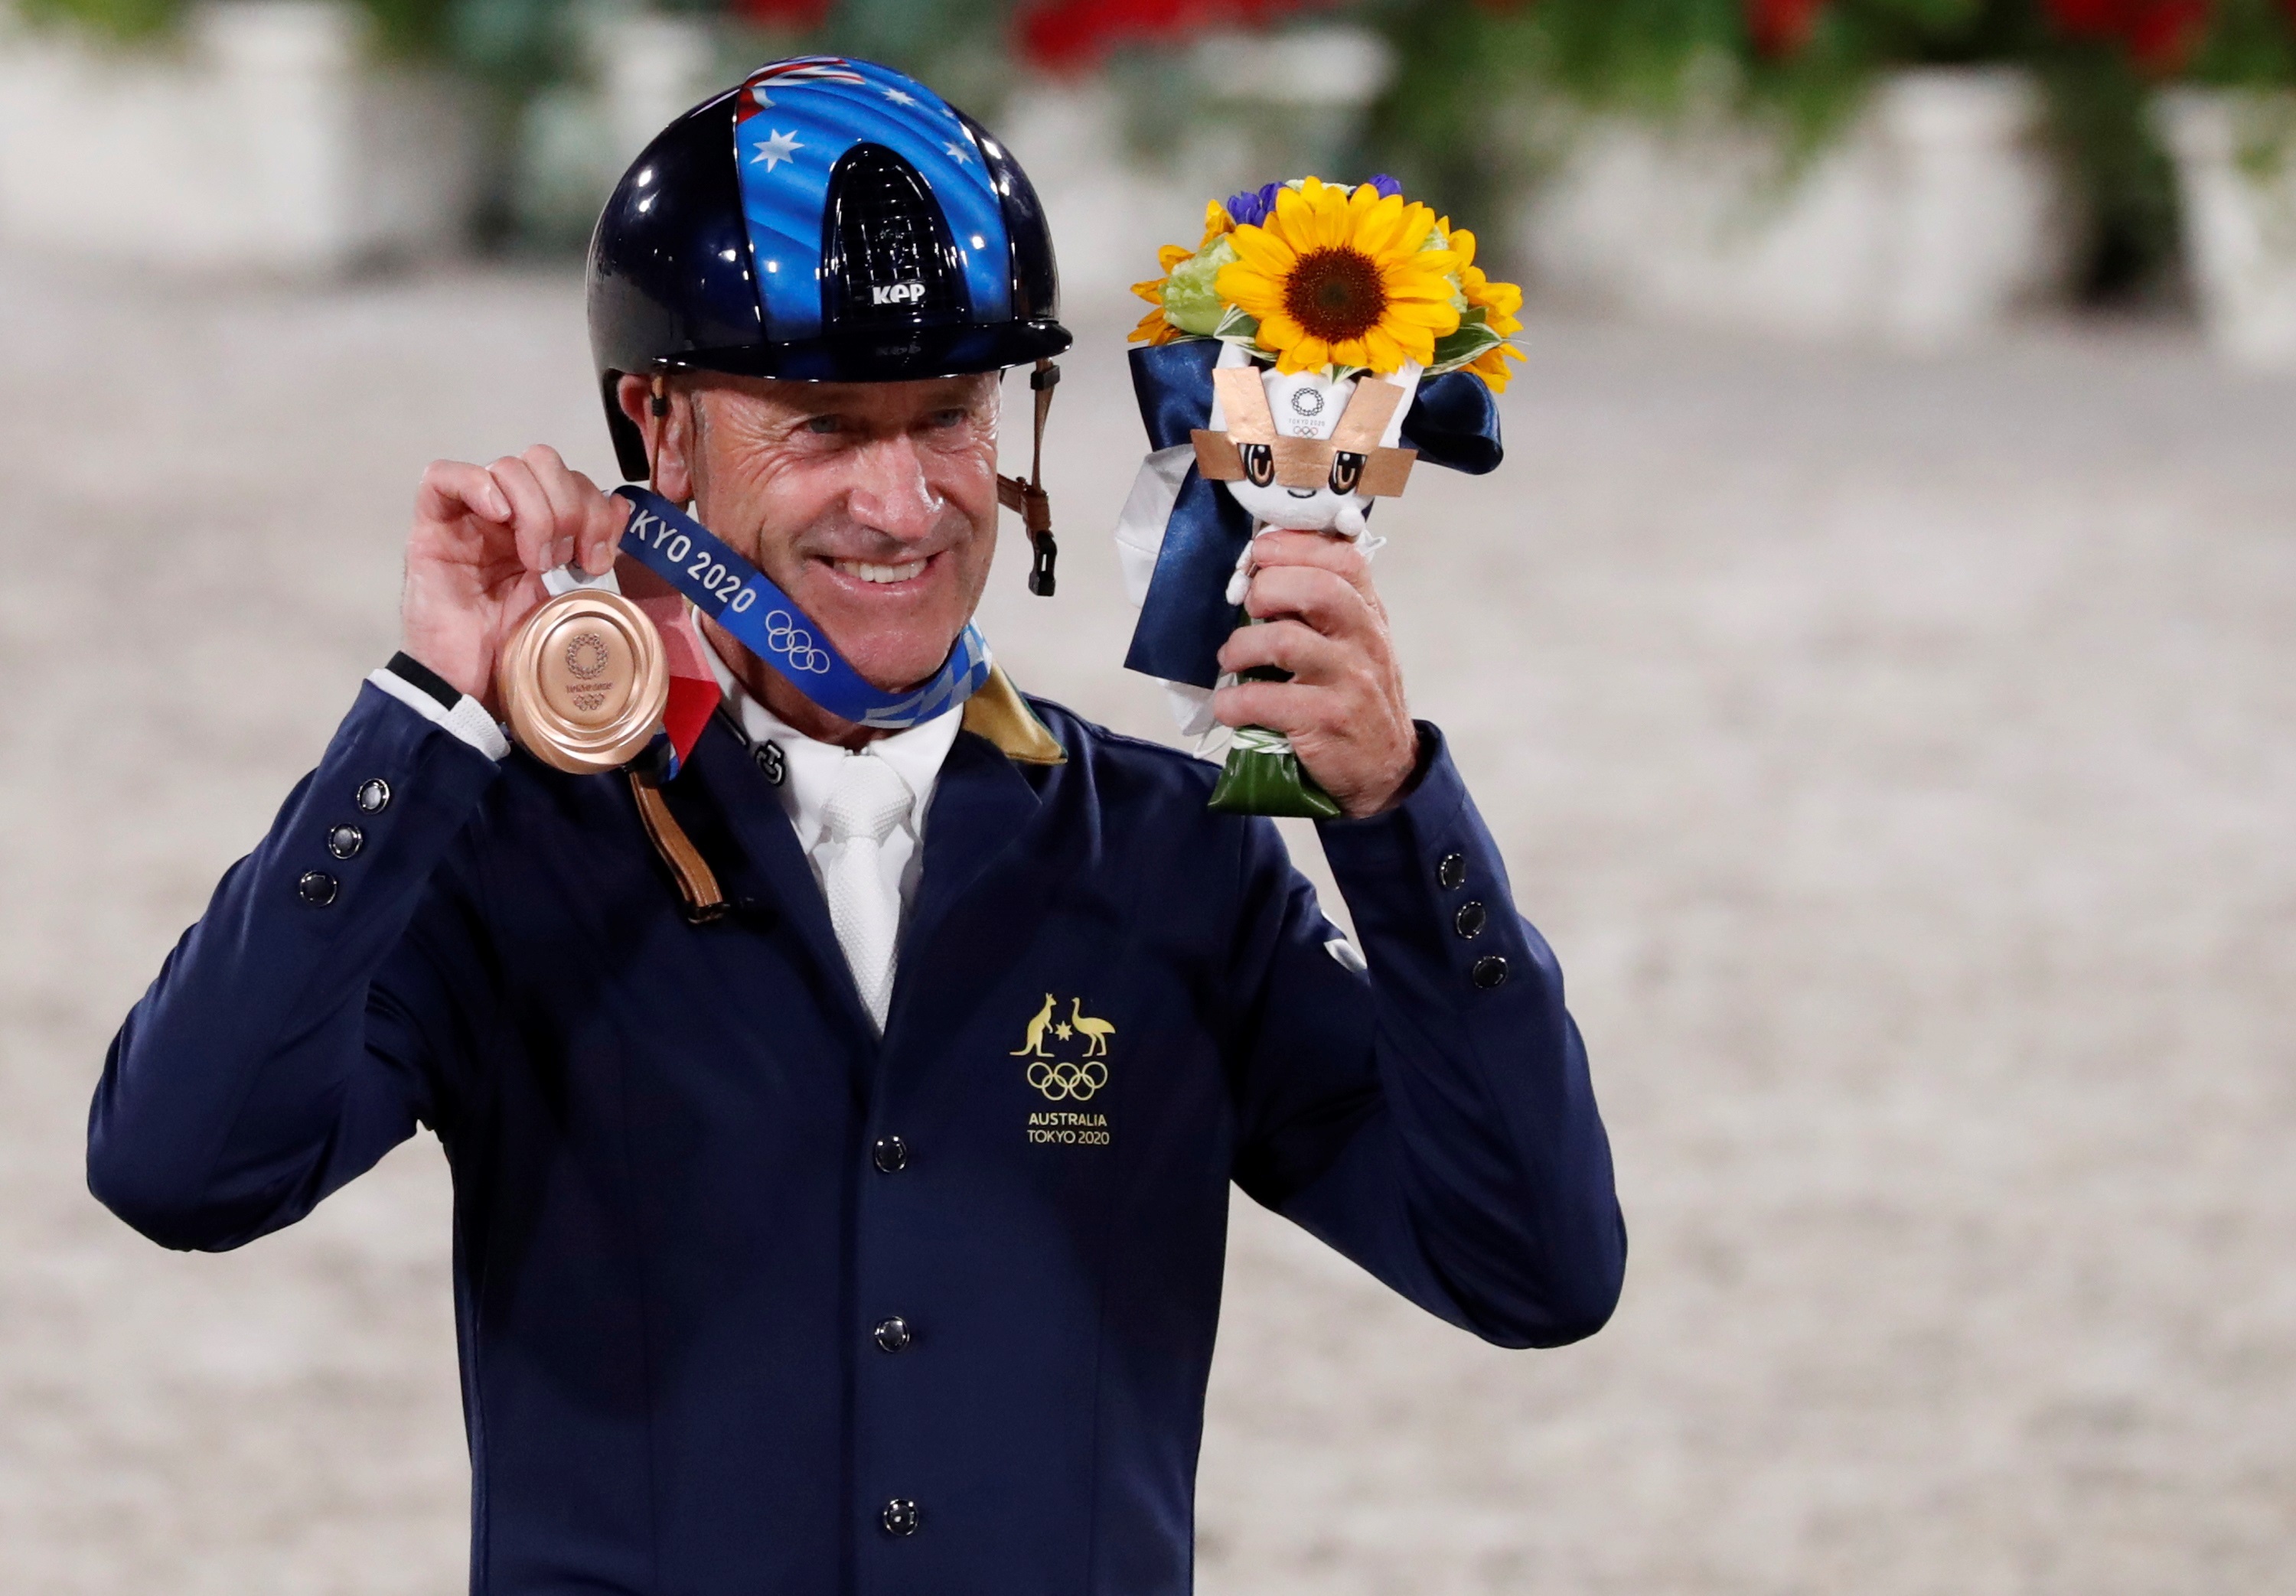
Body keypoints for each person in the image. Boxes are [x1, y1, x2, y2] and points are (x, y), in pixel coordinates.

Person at [86, 56, 1625, 1596]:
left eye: (947, 416)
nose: (904, 505)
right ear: (659, 428)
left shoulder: (1176, 852)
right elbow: (184, 1162)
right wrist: (429, 713)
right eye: (824, 427)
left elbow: (1532, 1266)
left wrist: (1393, 814)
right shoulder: (511, 843)